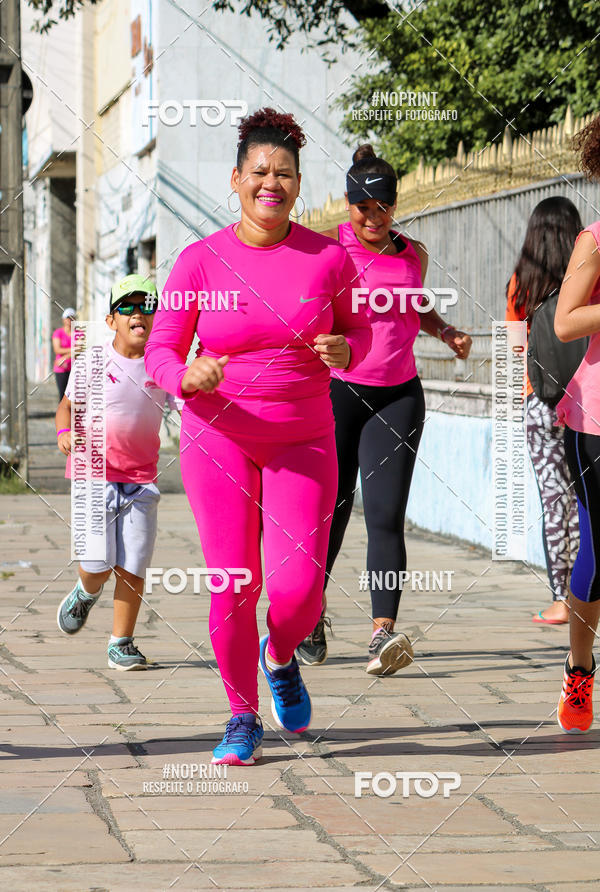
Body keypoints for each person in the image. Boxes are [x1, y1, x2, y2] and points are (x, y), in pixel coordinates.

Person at [145, 109, 372, 766]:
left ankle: (280, 657)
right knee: (232, 583)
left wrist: (343, 349)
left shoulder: (328, 257)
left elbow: (362, 334)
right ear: (237, 180)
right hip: (217, 437)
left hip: (304, 437)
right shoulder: (200, 262)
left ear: (298, 184)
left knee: (300, 592)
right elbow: (161, 350)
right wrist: (187, 373)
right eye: (260, 173)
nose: (272, 183)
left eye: (285, 174)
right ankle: (241, 716)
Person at [296, 144, 472, 675]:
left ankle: (383, 635)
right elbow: (304, 311)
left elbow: (416, 304)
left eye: (383, 207)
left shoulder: (410, 252)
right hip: (337, 394)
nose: (374, 218)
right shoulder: (327, 250)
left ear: (394, 205)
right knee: (331, 510)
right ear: (348, 204)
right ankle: (309, 616)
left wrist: (444, 331)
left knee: (386, 515)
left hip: (398, 395)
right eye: (364, 208)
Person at [55, 275, 181, 670]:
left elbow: (188, 404)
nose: (138, 313)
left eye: (146, 305)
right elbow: (67, 405)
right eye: (127, 306)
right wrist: (64, 430)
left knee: (133, 565)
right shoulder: (93, 359)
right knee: (98, 566)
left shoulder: (163, 366)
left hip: (141, 480)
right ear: (111, 320)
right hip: (92, 474)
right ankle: (85, 591)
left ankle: (121, 642)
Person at [505, 198, 582, 626]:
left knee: (556, 503)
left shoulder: (523, 282)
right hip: (589, 402)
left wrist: (529, 398)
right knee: (589, 501)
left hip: (542, 405)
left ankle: (562, 600)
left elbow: (516, 351)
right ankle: (590, 592)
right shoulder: (588, 279)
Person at [554, 113, 600, 733]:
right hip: (595, 423)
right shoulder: (594, 240)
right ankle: (580, 671)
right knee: (597, 552)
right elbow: (565, 322)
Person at [52, 307, 75, 401]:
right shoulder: (58, 333)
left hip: (75, 368)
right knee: (63, 395)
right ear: (63, 319)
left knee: (74, 397)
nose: (69, 320)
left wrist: (64, 357)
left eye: (71, 317)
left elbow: (80, 350)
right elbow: (57, 350)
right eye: (67, 317)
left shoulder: (79, 333)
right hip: (61, 369)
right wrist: (73, 350)